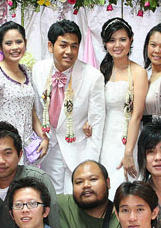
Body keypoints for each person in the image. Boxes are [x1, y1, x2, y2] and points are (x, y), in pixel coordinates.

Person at [31, 19, 106, 194]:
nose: (69, 52)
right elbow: (37, 110)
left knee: (78, 200)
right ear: (50, 46)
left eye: (74, 46)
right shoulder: (38, 69)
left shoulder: (93, 77)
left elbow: (97, 123)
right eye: (63, 45)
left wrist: (91, 163)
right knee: (53, 198)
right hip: (49, 150)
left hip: (79, 150)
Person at [0, 21, 48, 165]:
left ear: (25, 43)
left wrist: (44, 137)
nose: (15, 47)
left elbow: (32, 112)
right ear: (0, 46)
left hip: (27, 145)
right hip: (5, 147)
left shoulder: (27, 72)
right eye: (8, 43)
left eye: (18, 42)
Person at [97, 17, 148, 199]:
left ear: (131, 40)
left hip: (127, 138)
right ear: (105, 43)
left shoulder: (138, 72)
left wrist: (128, 152)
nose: (117, 45)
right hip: (104, 138)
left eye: (122, 39)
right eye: (112, 40)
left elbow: (137, 115)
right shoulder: (103, 70)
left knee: (126, 189)